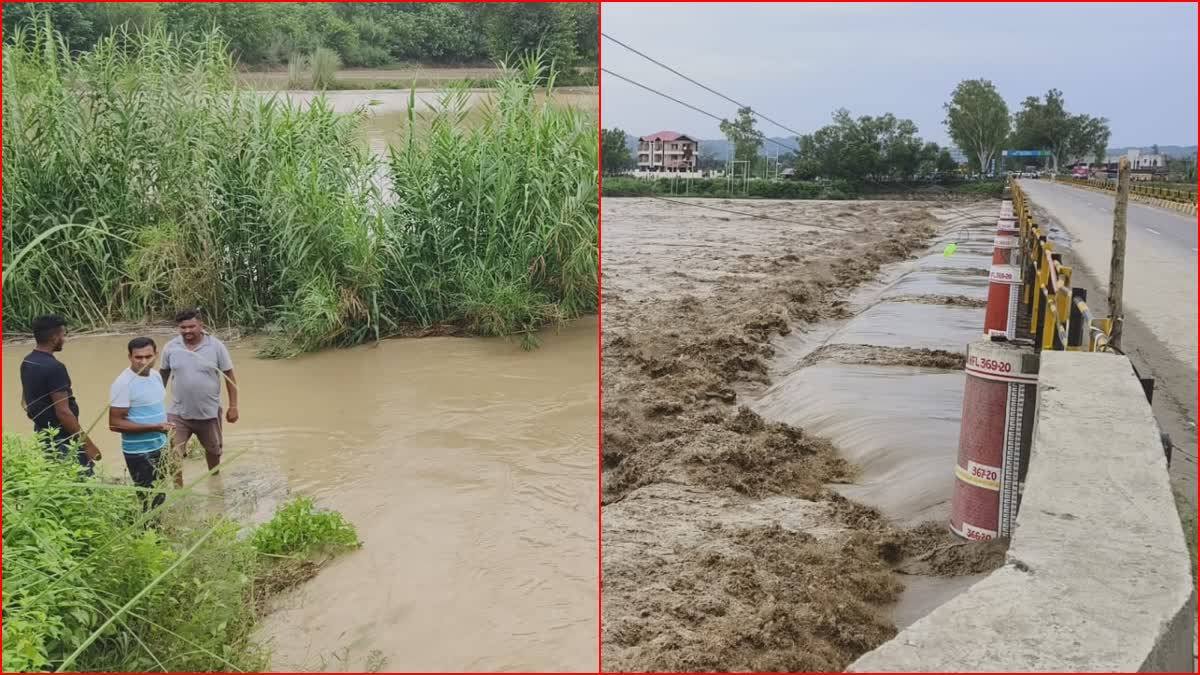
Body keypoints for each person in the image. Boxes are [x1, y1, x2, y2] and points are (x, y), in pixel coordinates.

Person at [160, 308, 239, 486]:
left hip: (208, 412)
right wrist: (156, 404)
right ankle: (179, 491)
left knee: (214, 451)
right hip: (177, 412)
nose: (187, 331)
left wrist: (233, 406)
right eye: (183, 327)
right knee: (174, 454)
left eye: (191, 326)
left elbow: (229, 377)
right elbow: (163, 375)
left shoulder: (216, 346)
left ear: (201, 324)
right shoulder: (171, 347)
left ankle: (215, 481)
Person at [19, 315, 102, 472]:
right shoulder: (55, 367)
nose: (64, 339)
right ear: (54, 337)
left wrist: (42, 420)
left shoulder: (28, 361)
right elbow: (63, 412)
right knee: (81, 480)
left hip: (44, 433)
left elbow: (25, 402)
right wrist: (88, 445)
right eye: (63, 335)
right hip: (64, 437)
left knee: (56, 475)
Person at [109, 337, 173, 511]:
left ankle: (158, 531)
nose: (144, 361)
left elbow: (155, 409)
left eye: (148, 356)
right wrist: (155, 427)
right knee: (148, 498)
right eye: (138, 357)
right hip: (139, 452)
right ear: (130, 357)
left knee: (160, 492)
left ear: (156, 355)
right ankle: (148, 531)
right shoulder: (123, 383)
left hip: (160, 444)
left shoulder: (156, 376)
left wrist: (165, 430)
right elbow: (115, 423)